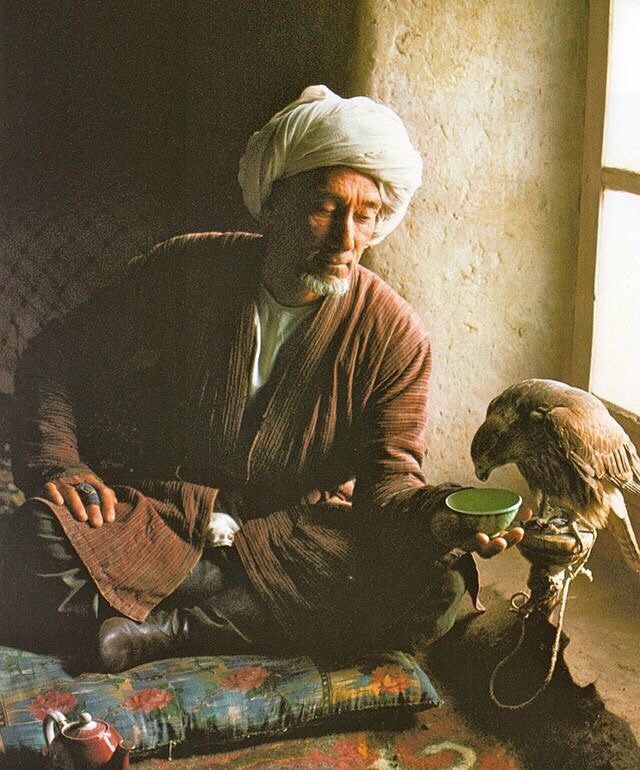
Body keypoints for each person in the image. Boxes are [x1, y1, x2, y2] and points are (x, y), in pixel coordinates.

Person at [5, 86, 527, 673]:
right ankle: (239, 613)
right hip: (163, 511)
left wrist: (441, 517)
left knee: (440, 587)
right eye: (327, 208)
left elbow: (388, 486)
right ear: (274, 203)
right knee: (29, 546)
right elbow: (59, 353)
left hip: (295, 535)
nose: (347, 238)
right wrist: (59, 462)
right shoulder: (185, 268)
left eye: (366, 215)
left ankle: (168, 629)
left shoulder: (395, 335)